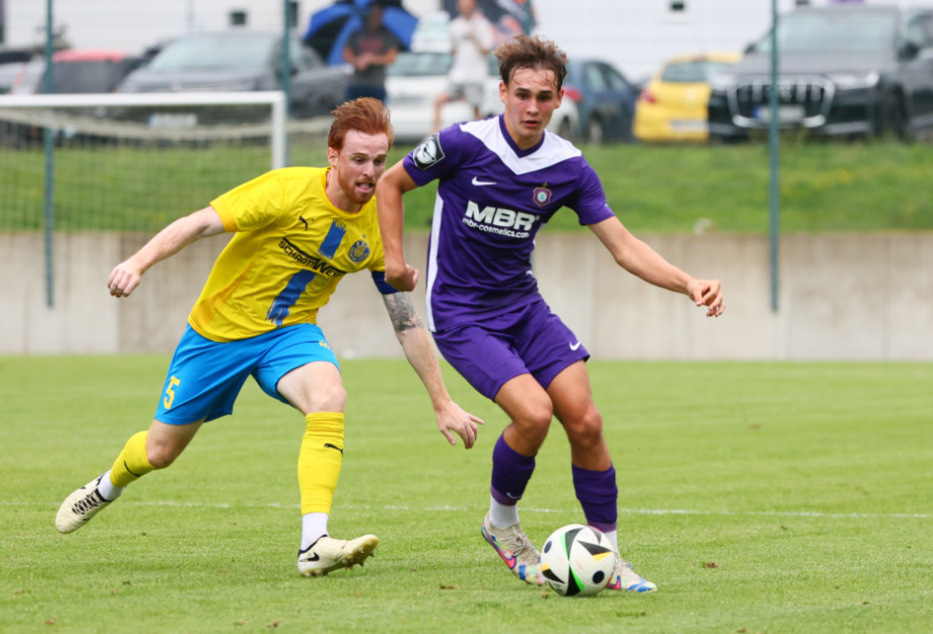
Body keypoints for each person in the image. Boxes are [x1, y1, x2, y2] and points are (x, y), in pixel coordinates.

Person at [54, 97, 483, 578]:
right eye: (359, 160)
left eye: (380, 161)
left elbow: (405, 321)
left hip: (290, 335)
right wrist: (138, 262)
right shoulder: (285, 191)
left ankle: (314, 543)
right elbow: (200, 223)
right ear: (333, 155)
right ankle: (106, 486)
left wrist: (441, 400)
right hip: (218, 333)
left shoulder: (380, 221)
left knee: (330, 395)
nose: (370, 172)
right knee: (160, 452)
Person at [375, 35, 724, 592]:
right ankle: (503, 525)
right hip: (461, 313)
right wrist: (394, 261)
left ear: (560, 98)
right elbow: (390, 184)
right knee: (535, 415)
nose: (532, 107)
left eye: (544, 96)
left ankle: (606, 557)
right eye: (522, 95)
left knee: (585, 420)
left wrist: (688, 282)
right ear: (502, 93)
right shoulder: (462, 144)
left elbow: (623, 246)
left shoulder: (569, 167)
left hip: (524, 308)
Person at [432, 0, 495, 133]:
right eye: (462, 6)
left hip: (475, 75)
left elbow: (486, 50)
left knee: (476, 110)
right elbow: (452, 50)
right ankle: (433, 135)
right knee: (439, 100)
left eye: (468, 5)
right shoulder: (455, 25)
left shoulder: (482, 24)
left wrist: (474, 37)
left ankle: (479, 138)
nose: (465, 8)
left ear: (474, 6)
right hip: (458, 75)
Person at [342, 2, 400, 103]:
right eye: (374, 13)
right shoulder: (356, 34)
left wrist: (371, 59)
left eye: (379, 13)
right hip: (356, 82)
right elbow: (346, 54)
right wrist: (358, 61)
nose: (376, 16)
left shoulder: (388, 35)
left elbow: (391, 57)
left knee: (375, 116)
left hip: (376, 84)